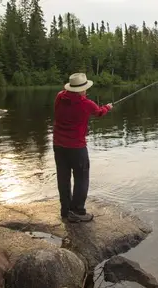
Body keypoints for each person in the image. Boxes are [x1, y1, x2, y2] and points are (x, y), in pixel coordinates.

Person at [52, 72, 112, 222]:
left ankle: (65, 211)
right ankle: (78, 211)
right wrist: (108, 107)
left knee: (63, 178)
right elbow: (99, 112)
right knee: (81, 178)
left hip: (58, 145)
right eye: (85, 89)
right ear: (80, 90)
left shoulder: (60, 96)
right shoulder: (86, 104)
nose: (86, 91)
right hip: (76, 147)